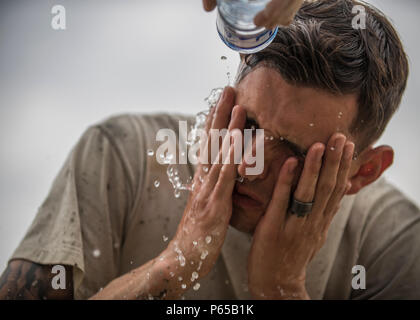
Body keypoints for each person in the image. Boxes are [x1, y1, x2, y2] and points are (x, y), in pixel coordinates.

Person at [1, 0, 419, 300]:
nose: (249, 165)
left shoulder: (391, 239)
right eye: (248, 124)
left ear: (362, 173)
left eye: (295, 152)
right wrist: (176, 264)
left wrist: (282, 289)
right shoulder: (120, 158)